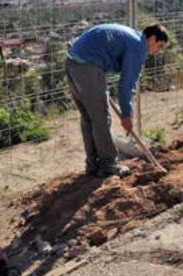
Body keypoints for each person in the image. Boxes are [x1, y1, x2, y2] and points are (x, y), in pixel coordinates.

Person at [65, 23, 169, 178]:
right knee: (101, 118)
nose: (157, 51)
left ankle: (93, 165)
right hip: (88, 66)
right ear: (152, 39)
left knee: (89, 118)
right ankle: (108, 164)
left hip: (73, 61)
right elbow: (126, 85)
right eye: (159, 46)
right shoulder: (138, 48)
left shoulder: (131, 37)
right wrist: (127, 115)